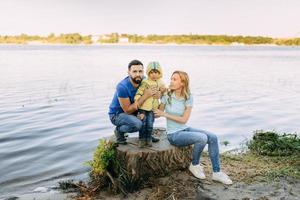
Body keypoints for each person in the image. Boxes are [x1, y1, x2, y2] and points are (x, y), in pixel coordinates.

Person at [154, 71, 233, 185]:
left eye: (174, 79)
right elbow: (157, 113)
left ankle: (217, 172)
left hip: (185, 128)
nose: (171, 81)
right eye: (171, 79)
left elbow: (184, 120)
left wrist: (164, 114)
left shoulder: (188, 97)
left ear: (182, 83)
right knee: (201, 138)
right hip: (173, 135)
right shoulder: (167, 96)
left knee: (213, 137)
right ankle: (194, 164)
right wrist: (156, 98)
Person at [108, 60, 160, 144]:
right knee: (137, 124)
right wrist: (145, 96)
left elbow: (157, 91)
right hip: (117, 115)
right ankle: (119, 131)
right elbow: (128, 110)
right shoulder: (122, 87)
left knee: (150, 112)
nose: (138, 74)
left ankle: (146, 135)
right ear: (129, 72)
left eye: (140, 71)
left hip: (135, 110)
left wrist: (158, 94)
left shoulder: (145, 81)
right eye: (134, 71)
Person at [134, 61, 166, 147]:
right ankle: (141, 140)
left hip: (152, 108)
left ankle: (148, 139)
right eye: (151, 72)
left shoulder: (160, 82)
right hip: (143, 108)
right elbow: (139, 91)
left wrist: (161, 92)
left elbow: (165, 91)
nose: (154, 74)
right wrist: (137, 99)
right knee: (143, 124)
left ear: (159, 73)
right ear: (148, 73)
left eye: (156, 72)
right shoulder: (145, 82)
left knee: (150, 124)